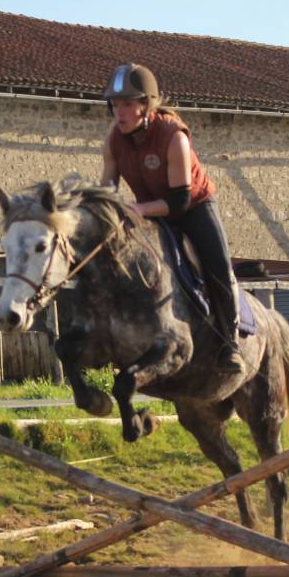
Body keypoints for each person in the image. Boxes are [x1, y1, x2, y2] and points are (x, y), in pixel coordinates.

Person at [100, 62, 245, 374]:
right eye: (114, 105)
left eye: (127, 104)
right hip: (150, 210)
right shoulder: (113, 141)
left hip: (194, 207)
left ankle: (231, 344)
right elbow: (107, 191)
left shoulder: (173, 136)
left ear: (146, 105)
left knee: (217, 264)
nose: (119, 113)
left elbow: (180, 200)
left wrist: (139, 209)